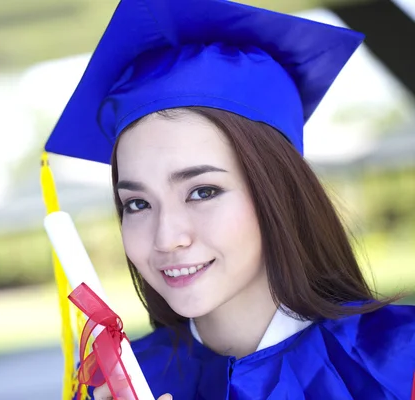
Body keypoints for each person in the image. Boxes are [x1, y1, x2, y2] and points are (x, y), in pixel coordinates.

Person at [43, 0, 415, 398]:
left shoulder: (399, 361)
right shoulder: (117, 386)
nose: (167, 238)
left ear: (282, 193)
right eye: (138, 203)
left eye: (203, 192)